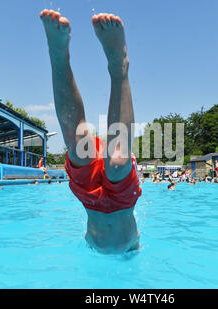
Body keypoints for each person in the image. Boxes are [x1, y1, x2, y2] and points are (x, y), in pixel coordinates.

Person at [40, 10, 141, 254]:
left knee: (77, 145)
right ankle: (119, 64)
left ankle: (58, 55)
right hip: (122, 203)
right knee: (117, 161)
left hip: (90, 200)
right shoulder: (132, 250)